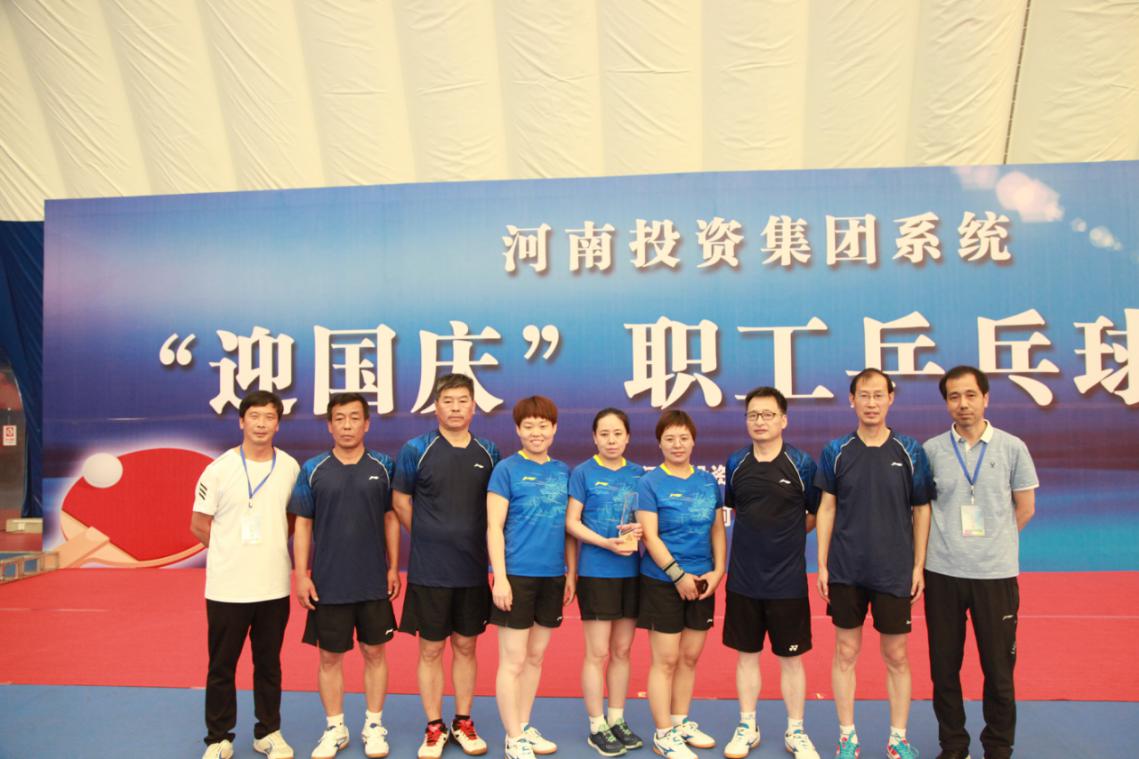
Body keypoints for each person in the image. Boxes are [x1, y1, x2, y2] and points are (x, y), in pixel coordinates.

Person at [815, 369, 933, 759]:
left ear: (890, 399)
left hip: (893, 570)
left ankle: (898, 738)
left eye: (878, 395)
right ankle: (847, 736)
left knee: (896, 655)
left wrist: (918, 566)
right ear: (852, 400)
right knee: (845, 652)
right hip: (846, 569)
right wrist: (822, 564)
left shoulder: (909, 450)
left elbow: (922, 509)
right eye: (863, 395)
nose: (871, 403)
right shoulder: (836, 450)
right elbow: (827, 508)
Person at [923, 366, 1037, 759]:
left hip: (995, 575)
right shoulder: (932, 451)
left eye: (971, 395)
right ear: (946, 403)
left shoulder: (1012, 448)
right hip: (942, 573)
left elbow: (1025, 508)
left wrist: (994, 544)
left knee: (999, 670)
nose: (963, 404)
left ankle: (998, 746)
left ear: (986, 398)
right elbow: (922, 510)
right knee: (944, 669)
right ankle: (954, 745)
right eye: (954, 396)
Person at [392, 374, 501, 758]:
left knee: (466, 646)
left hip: (472, 569)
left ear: (474, 406)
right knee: (431, 649)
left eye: (462, 400)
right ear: (436, 406)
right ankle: (434, 726)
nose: (455, 408)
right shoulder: (416, 449)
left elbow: (496, 507)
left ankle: (463, 721)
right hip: (430, 570)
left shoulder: (489, 451)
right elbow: (400, 501)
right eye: (448, 401)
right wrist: (428, 535)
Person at [290, 393, 401, 759]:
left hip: (372, 581)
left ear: (366, 423)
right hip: (328, 582)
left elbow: (391, 518)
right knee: (329, 657)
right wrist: (301, 574)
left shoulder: (384, 466)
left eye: (355, 418)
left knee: (375, 652)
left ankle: (374, 725)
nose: (348, 425)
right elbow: (303, 524)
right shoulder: (313, 469)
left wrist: (392, 567)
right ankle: (335, 727)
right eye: (340, 418)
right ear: (330, 425)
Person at [191, 390, 300, 759]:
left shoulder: (289, 467)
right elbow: (198, 524)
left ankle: (268, 732)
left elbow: (291, 520)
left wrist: (266, 546)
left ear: (278, 424)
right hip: (227, 588)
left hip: (273, 586)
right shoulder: (219, 469)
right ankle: (218, 738)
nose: (261, 424)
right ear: (241, 421)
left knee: (268, 664)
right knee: (222, 665)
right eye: (254, 416)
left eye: (269, 417)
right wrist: (231, 551)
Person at [721, 387, 821, 759]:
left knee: (791, 659)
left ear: (783, 420)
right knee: (746, 655)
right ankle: (748, 725)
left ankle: (796, 730)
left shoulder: (802, 464)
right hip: (743, 580)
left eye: (767, 414)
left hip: (787, 582)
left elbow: (813, 514)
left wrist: (785, 538)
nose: (759, 421)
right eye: (753, 415)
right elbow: (738, 510)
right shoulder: (736, 462)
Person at [487, 396, 575, 759]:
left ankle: (523, 725)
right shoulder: (506, 470)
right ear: (517, 430)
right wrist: (500, 577)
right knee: (513, 660)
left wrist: (570, 573)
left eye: (543, 425)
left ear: (554, 429)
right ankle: (512, 737)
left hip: (552, 576)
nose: (536, 432)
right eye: (528, 426)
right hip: (517, 576)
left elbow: (569, 528)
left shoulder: (563, 471)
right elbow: (494, 527)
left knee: (535, 658)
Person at [636, 409, 726, 759]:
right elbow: (650, 537)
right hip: (662, 581)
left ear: (693, 441)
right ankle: (663, 733)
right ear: (659, 443)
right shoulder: (650, 483)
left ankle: (680, 721)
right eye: (670, 438)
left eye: (683, 438)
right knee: (666, 659)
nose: (677, 444)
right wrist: (677, 575)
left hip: (703, 580)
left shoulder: (706, 482)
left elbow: (716, 529)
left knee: (689, 657)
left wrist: (717, 572)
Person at [565, 408, 646, 756]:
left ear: (627, 437)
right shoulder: (583, 473)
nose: (611, 440)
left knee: (623, 651)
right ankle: (596, 724)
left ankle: (616, 718)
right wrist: (604, 542)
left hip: (631, 572)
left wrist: (640, 529)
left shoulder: (639, 474)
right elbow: (572, 522)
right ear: (594, 438)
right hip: (597, 571)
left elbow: (647, 521)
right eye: (604, 434)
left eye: (617, 434)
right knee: (597, 652)